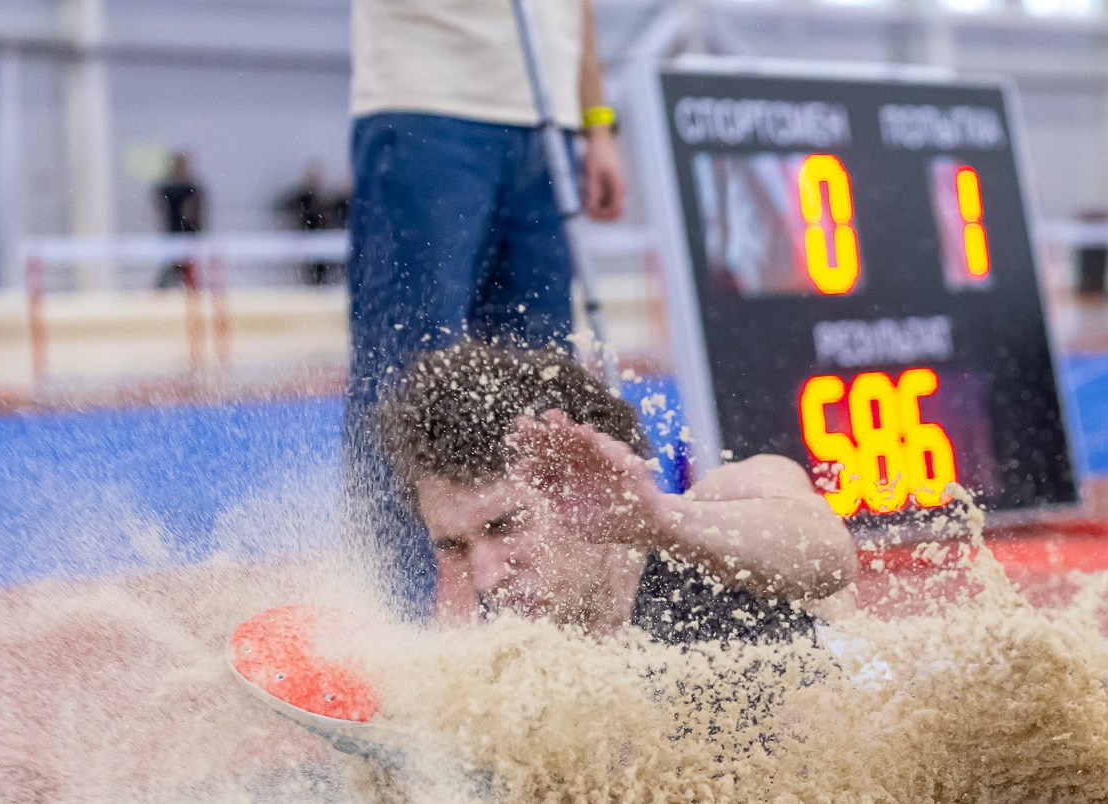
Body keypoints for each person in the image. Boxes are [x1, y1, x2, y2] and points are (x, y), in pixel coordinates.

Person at [347, 0, 628, 616]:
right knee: (406, 380)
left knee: (542, 387)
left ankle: (540, 617)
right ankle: (390, 621)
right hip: (429, 99)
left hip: (548, 124)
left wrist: (597, 122)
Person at [378, 341, 855, 640]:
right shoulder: (507, 661)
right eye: (456, 547)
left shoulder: (722, 507)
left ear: (585, 483)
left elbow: (831, 556)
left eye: (506, 525)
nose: (487, 577)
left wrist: (659, 520)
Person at [153, 151, 205, 290]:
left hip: (185, 234)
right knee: (173, 269)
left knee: (186, 271)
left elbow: (195, 213)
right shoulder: (170, 189)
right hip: (175, 233)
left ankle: (187, 293)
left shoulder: (191, 188)